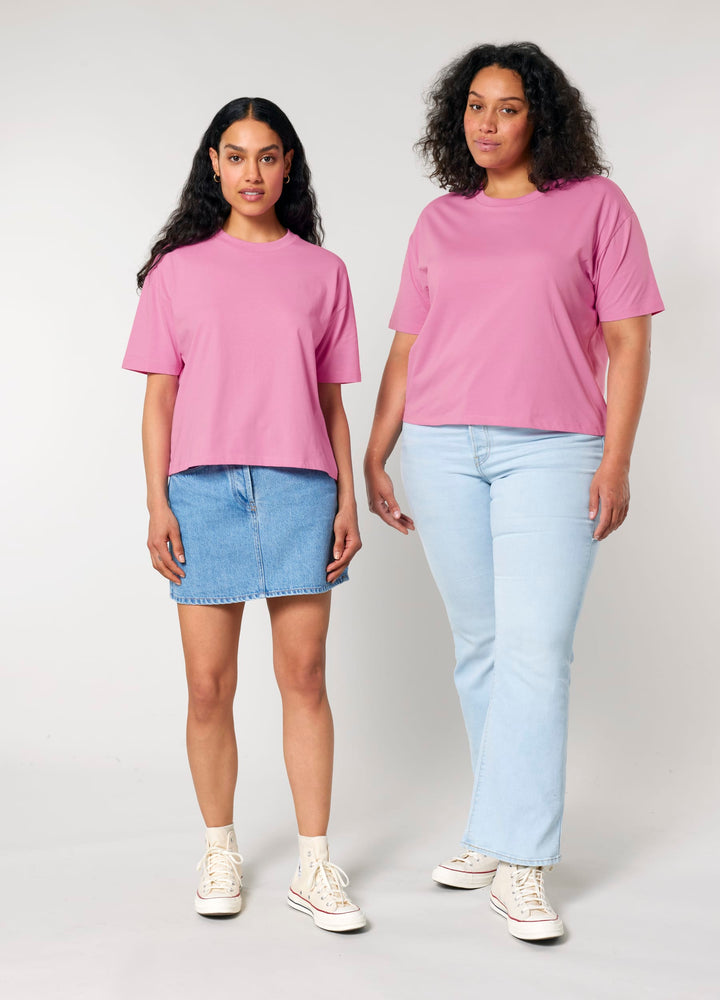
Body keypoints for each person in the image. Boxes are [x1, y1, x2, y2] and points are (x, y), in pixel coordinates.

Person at [365, 43, 663, 941]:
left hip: (556, 450)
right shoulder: (439, 220)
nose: (487, 123)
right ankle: (494, 831)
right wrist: (376, 453)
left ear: (542, 117)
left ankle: (522, 859)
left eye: (507, 107)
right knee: (483, 645)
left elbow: (629, 342)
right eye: (474, 106)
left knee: (536, 647)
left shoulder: (596, 206)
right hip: (441, 448)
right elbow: (408, 348)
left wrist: (616, 460)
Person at [123, 97, 365, 932]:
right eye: (236, 155)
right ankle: (219, 849)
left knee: (305, 677)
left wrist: (347, 497)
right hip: (202, 492)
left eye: (267, 156)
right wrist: (157, 501)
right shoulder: (177, 272)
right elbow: (160, 400)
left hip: (301, 488)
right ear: (214, 164)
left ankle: (315, 865)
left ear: (288, 165)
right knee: (207, 686)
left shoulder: (323, 272)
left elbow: (330, 403)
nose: (251, 172)